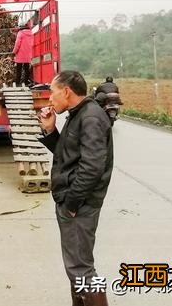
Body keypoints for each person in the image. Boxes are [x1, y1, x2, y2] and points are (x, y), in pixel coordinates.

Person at [38, 71, 113, 306]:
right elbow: (67, 156)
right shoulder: (78, 114)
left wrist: (71, 203)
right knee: (77, 267)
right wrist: (50, 130)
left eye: (52, 91)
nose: (49, 98)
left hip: (80, 205)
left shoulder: (90, 118)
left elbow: (92, 168)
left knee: (81, 268)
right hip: (74, 202)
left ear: (66, 91)